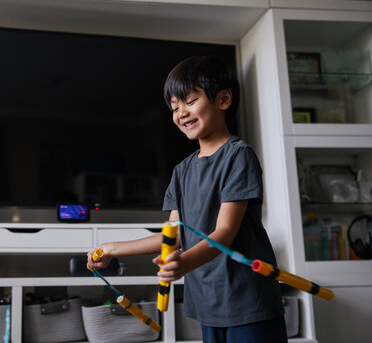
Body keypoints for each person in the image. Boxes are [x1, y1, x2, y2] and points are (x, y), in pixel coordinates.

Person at [87, 56, 287, 343]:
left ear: (224, 99)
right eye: (174, 107)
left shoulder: (237, 155)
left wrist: (183, 263)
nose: (181, 113)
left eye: (190, 101)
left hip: (248, 300)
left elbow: (225, 233)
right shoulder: (182, 170)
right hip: (208, 301)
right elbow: (174, 234)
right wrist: (111, 248)